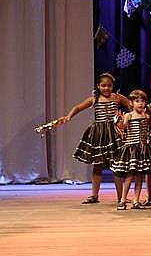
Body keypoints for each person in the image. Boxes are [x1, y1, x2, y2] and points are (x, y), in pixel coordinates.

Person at [54, 72, 131, 204]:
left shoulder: (117, 97)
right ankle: (94, 195)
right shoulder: (94, 99)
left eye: (109, 85)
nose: (106, 88)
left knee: (115, 165)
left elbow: (131, 106)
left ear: (113, 86)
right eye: (103, 85)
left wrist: (128, 119)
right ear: (98, 86)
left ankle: (121, 197)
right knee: (98, 165)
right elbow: (78, 107)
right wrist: (69, 116)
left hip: (114, 134)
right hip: (99, 134)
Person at [112, 90, 151, 210]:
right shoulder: (129, 115)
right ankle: (123, 200)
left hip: (143, 149)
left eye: (142, 101)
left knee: (139, 176)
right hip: (131, 149)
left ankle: (136, 200)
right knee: (129, 176)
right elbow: (122, 127)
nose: (140, 103)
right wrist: (117, 121)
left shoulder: (147, 116)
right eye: (137, 101)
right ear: (131, 103)